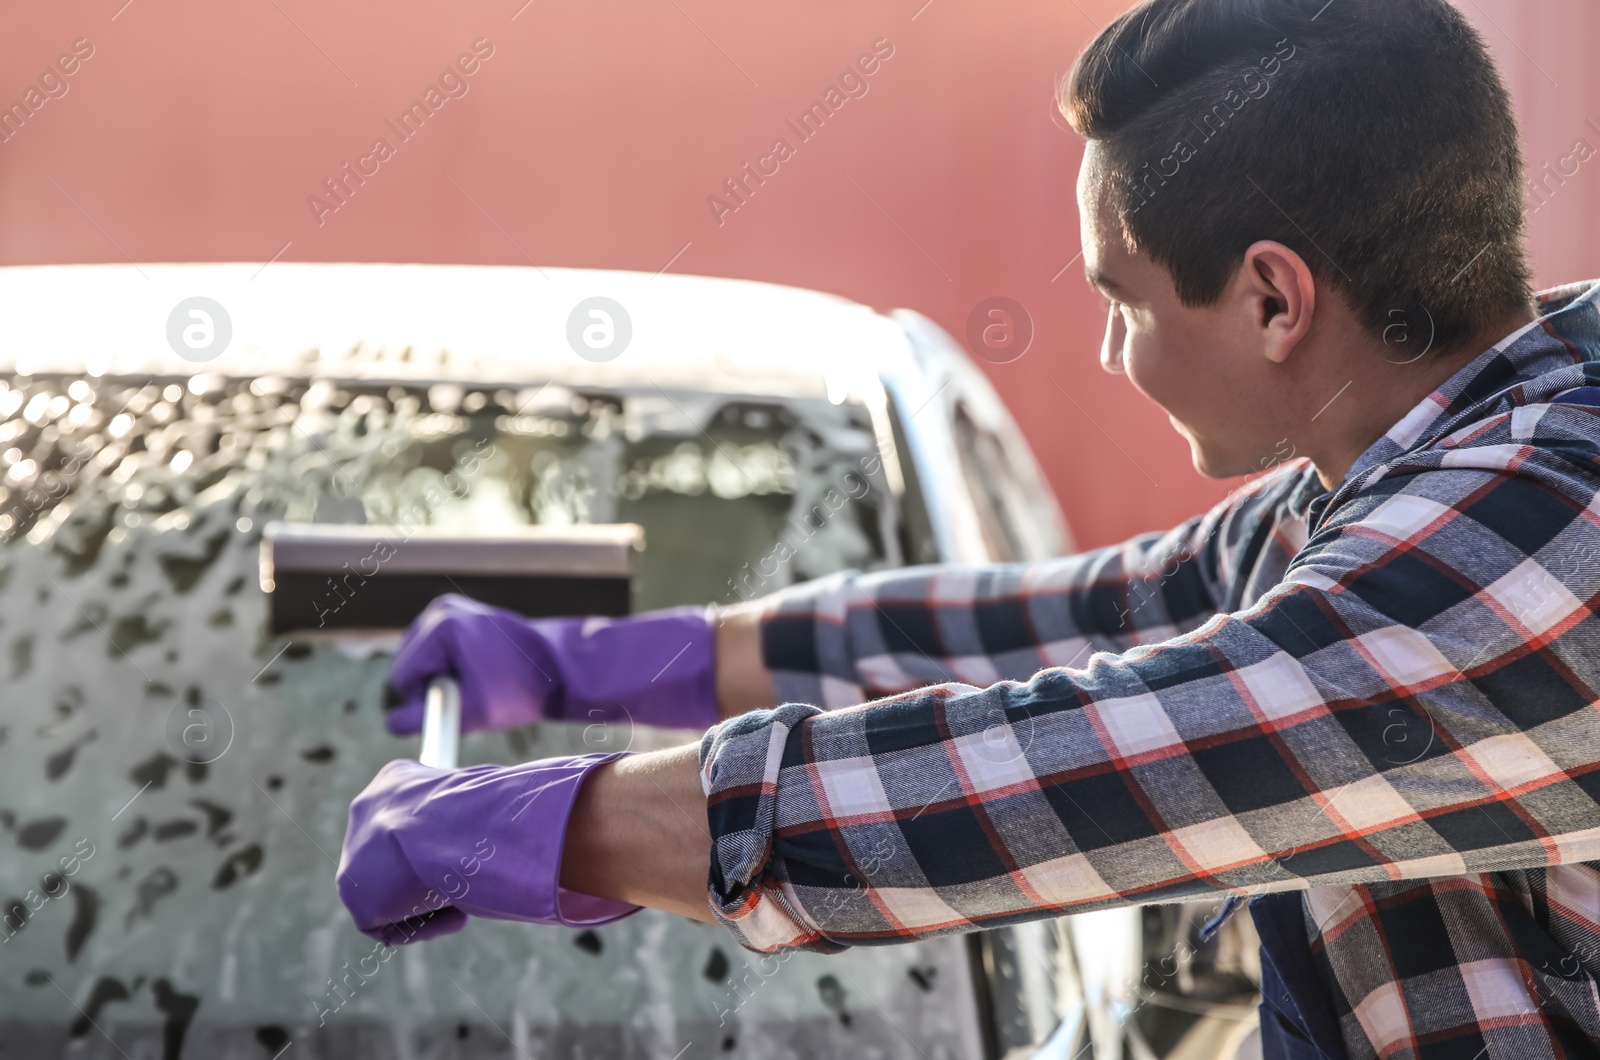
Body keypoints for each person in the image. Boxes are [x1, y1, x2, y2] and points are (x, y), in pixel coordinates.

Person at [338, 0, 1600, 1056]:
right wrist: (608, 663)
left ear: (1272, 297)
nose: (1110, 353)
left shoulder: (1543, 553)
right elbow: (1056, 623)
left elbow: (1071, 768)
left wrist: (561, 824)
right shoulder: (1406, 490)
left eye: (1123, 301)